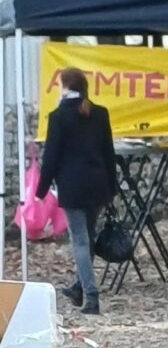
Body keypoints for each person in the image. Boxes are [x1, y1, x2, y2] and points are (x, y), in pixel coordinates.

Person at [36, 67, 117, 316]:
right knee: (88, 239)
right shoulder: (100, 113)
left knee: (80, 241)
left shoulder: (59, 117)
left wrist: (40, 191)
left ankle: (91, 296)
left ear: (65, 87)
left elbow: (51, 156)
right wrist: (112, 188)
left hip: (72, 187)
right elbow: (108, 153)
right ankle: (78, 287)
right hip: (98, 184)